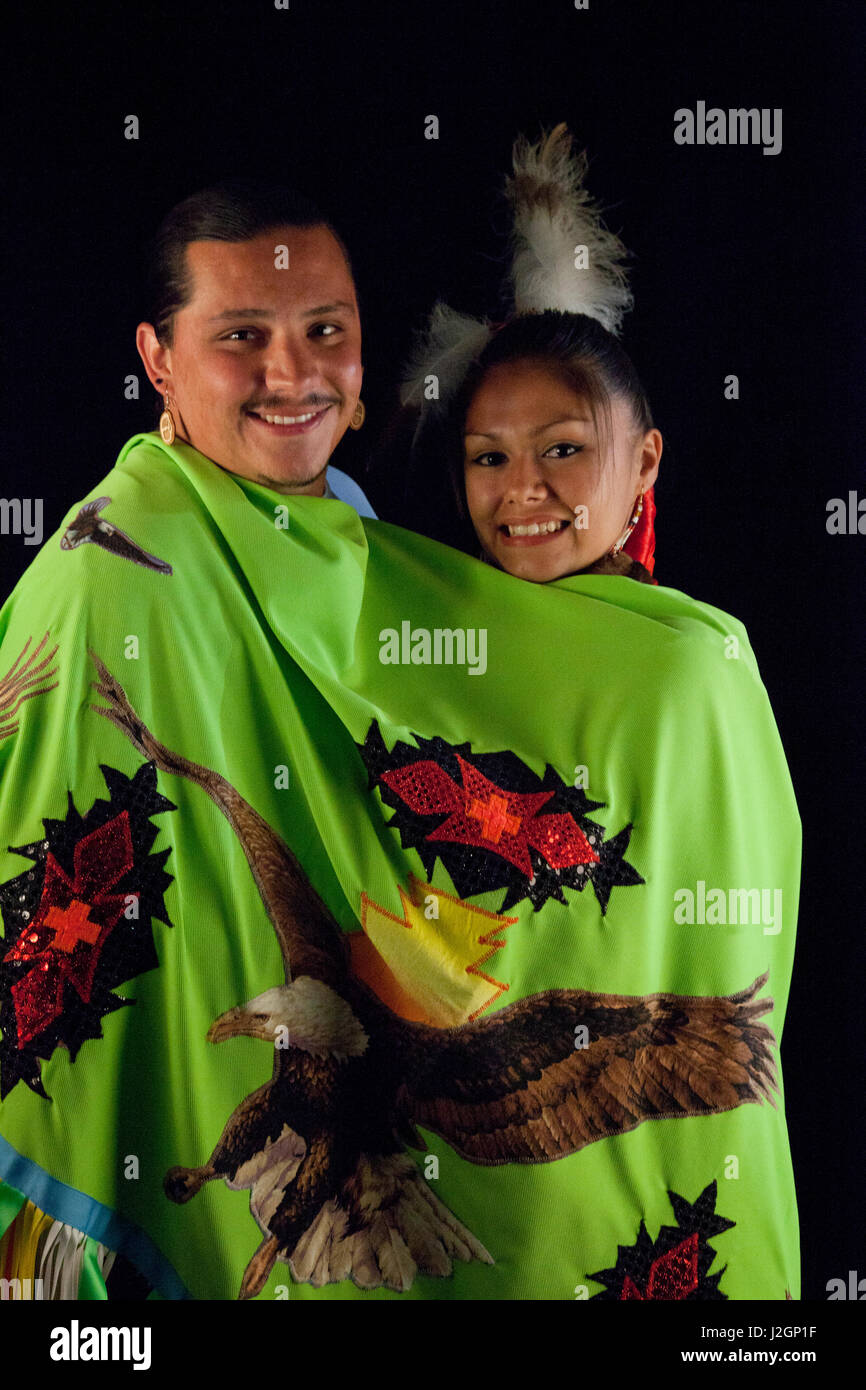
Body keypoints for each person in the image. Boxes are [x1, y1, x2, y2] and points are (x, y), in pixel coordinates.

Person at [0, 144, 799, 1302]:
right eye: (243, 337)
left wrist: (666, 673)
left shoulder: (366, 539)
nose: (293, 372)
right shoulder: (120, 570)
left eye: (325, 329)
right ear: (157, 361)